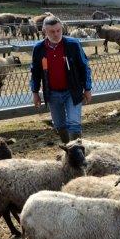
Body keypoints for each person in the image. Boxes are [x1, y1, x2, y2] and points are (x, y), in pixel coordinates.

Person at [30, 15, 92, 143]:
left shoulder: (72, 45)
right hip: (52, 93)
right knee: (59, 125)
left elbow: (84, 66)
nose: (56, 34)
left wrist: (87, 88)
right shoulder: (39, 48)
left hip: (72, 91)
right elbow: (35, 72)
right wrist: (35, 92)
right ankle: (68, 150)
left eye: (59, 30)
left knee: (74, 123)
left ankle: (77, 152)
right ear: (44, 31)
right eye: (52, 31)